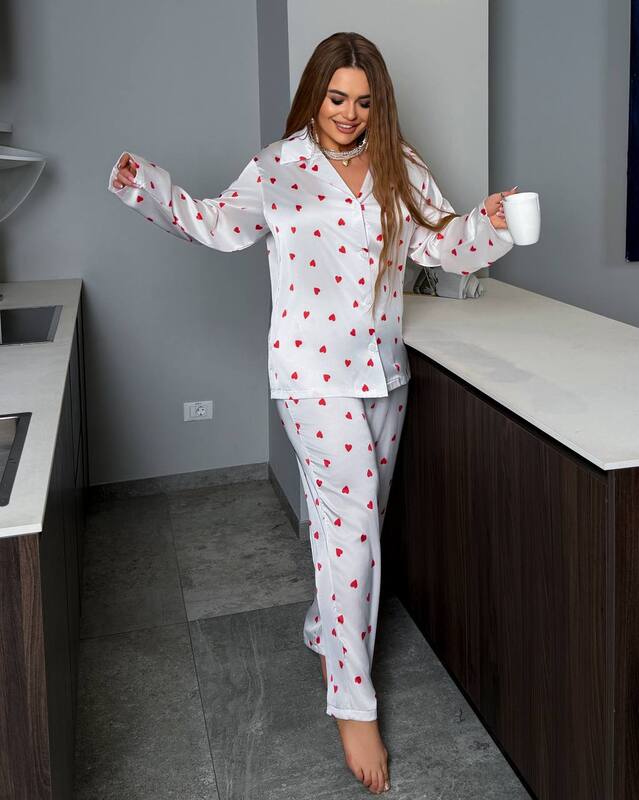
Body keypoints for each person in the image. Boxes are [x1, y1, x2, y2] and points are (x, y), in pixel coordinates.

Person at [108, 30, 515, 796]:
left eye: (363, 102)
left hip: (384, 373)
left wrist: (487, 223)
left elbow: (440, 245)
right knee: (352, 523)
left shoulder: (399, 164)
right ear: (315, 94)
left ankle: (326, 628)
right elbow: (216, 224)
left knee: (359, 521)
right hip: (309, 375)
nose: (349, 114)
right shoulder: (277, 166)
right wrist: (149, 187)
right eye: (336, 98)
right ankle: (352, 706)